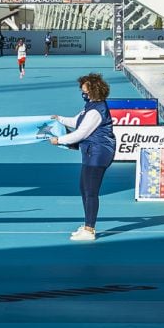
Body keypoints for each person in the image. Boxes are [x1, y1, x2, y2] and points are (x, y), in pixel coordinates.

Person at [49, 72, 115, 242]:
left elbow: (81, 133)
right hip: (90, 152)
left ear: (93, 91)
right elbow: (75, 121)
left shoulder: (96, 111)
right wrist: (59, 119)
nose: (82, 93)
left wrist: (59, 140)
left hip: (98, 154)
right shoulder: (90, 106)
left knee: (91, 191)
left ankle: (90, 229)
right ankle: (87, 224)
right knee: (83, 189)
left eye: (84, 90)